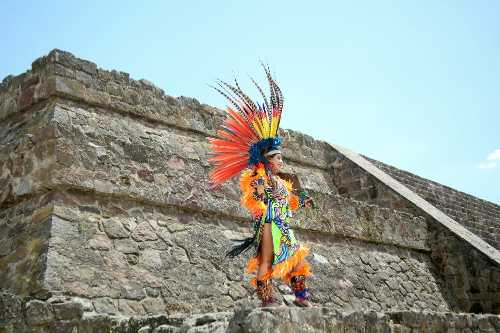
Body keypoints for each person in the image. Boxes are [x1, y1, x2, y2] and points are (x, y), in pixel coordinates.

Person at [207, 65, 313, 307]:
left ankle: (300, 296)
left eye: (281, 158)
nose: (282, 161)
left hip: (283, 224)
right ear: (267, 159)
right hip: (267, 223)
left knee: (296, 257)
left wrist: (300, 199)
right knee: (266, 258)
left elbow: (289, 200)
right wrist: (263, 196)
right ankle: (267, 298)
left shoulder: (282, 180)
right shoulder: (257, 177)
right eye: (278, 158)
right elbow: (254, 200)